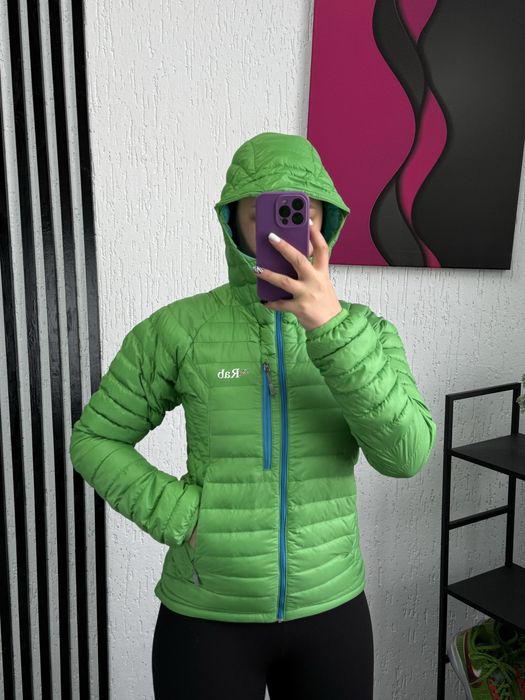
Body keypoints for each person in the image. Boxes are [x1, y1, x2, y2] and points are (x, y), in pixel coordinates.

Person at [69, 131, 437, 699]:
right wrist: (182, 516)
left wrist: (331, 329)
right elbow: (95, 438)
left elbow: (406, 456)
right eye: (265, 213)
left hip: (331, 610)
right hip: (206, 615)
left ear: (326, 220)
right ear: (234, 224)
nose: (286, 230)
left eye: (302, 211)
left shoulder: (366, 331)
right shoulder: (179, 329)